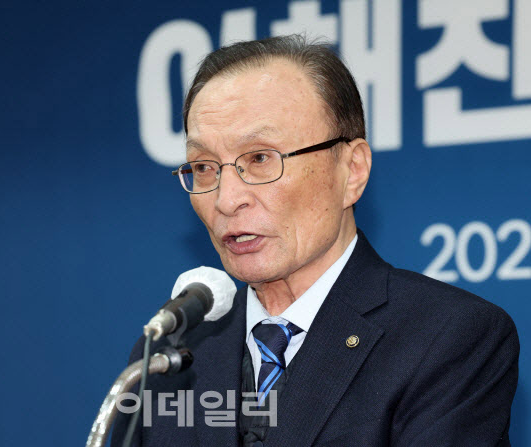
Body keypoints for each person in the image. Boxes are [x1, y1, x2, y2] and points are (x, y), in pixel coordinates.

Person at [112, 35, 519, 446]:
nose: (226, 199)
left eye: (260, 158)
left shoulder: (446, 337)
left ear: (352, 170)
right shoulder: (169, 357)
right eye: (203, 166)